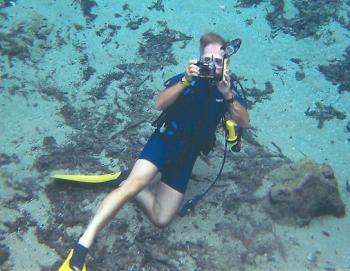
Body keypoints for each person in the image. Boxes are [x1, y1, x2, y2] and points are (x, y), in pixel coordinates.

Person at [59, 32, 249, 271]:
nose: (212, 65)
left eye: (218, 61)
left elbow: (243, 122)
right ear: (199, 60)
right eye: (207, 60)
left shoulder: (228, 90)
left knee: (161, 218)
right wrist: (185, 81)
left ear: (226, 62)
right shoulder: (186, 80)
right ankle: (80, 249)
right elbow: (160, 104)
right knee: (132, 187)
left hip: (187, 156)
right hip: (165, 141)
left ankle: (123, 178)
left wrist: (228, 94)